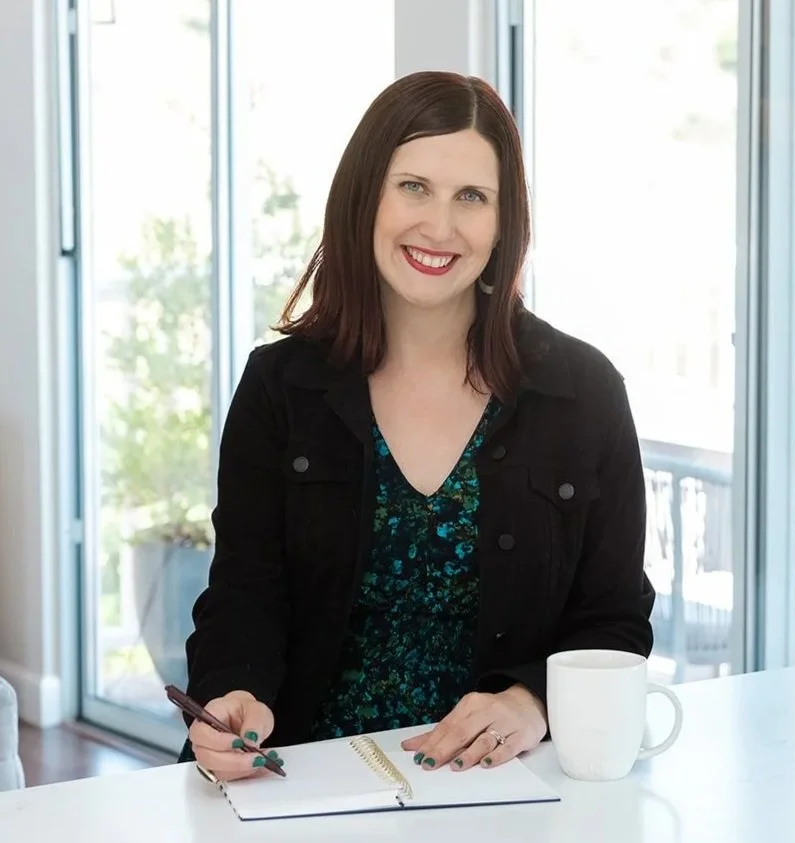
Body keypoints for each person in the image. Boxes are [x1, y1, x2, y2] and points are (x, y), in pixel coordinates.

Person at [181, 70, 655, 781]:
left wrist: (532, 699)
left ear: (504, 222)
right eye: (413, 187)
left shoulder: (584, 392)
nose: (439, 226)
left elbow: (616, 615)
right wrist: (233, 694)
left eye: (472, 197)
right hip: (300, 783)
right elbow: (242, 594)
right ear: (364, 197)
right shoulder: (279, 387)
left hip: (502, 787)